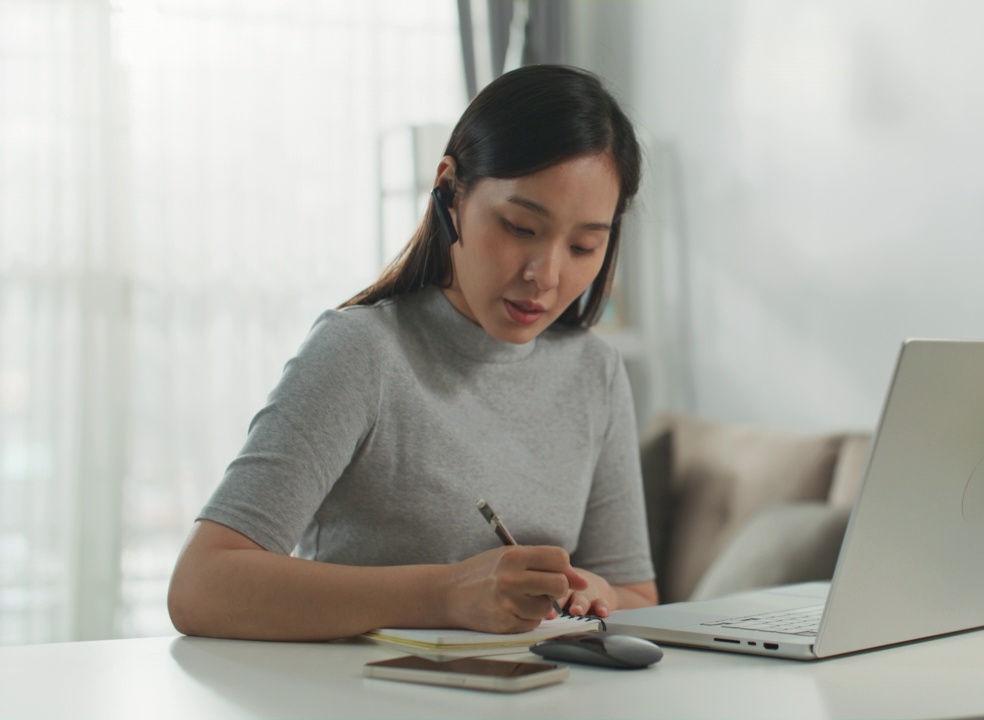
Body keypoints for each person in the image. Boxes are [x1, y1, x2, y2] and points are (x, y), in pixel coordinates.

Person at [167, 65, 658, 641]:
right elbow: (201, 586)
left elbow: (638, 598)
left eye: (583, 246)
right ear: (449, 188)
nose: (545, 275)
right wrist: (447, 595)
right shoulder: (361, 353)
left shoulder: (593, 372)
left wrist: (596, 595)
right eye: (521, 227)